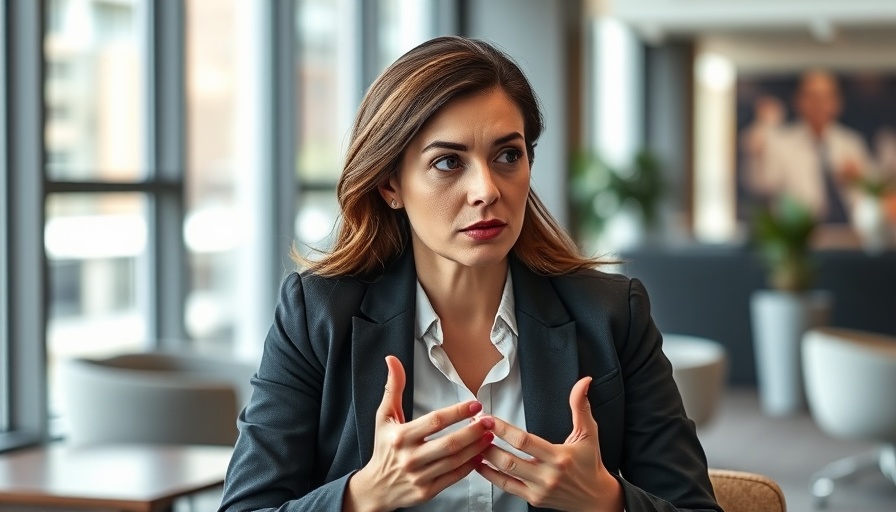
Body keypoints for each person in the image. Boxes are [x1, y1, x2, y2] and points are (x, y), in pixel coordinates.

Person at [218, 36, 721, 512]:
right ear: (391, 183)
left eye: (507, 155)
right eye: (447, 162)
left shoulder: (613, 314)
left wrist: (606, 501)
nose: (486, 189)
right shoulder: (317, 315)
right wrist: (363, 495)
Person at [749, 70, 872, 224]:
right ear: (799, 101)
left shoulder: (852, 144)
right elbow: (762, 186)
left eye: (825, 97)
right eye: (811, 96)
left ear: (837, 102)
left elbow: (871, 194)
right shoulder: (781, 143)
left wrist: (858, 180)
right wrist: (757, 155)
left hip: (845, 232)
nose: (818, 103)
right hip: (797, 234)